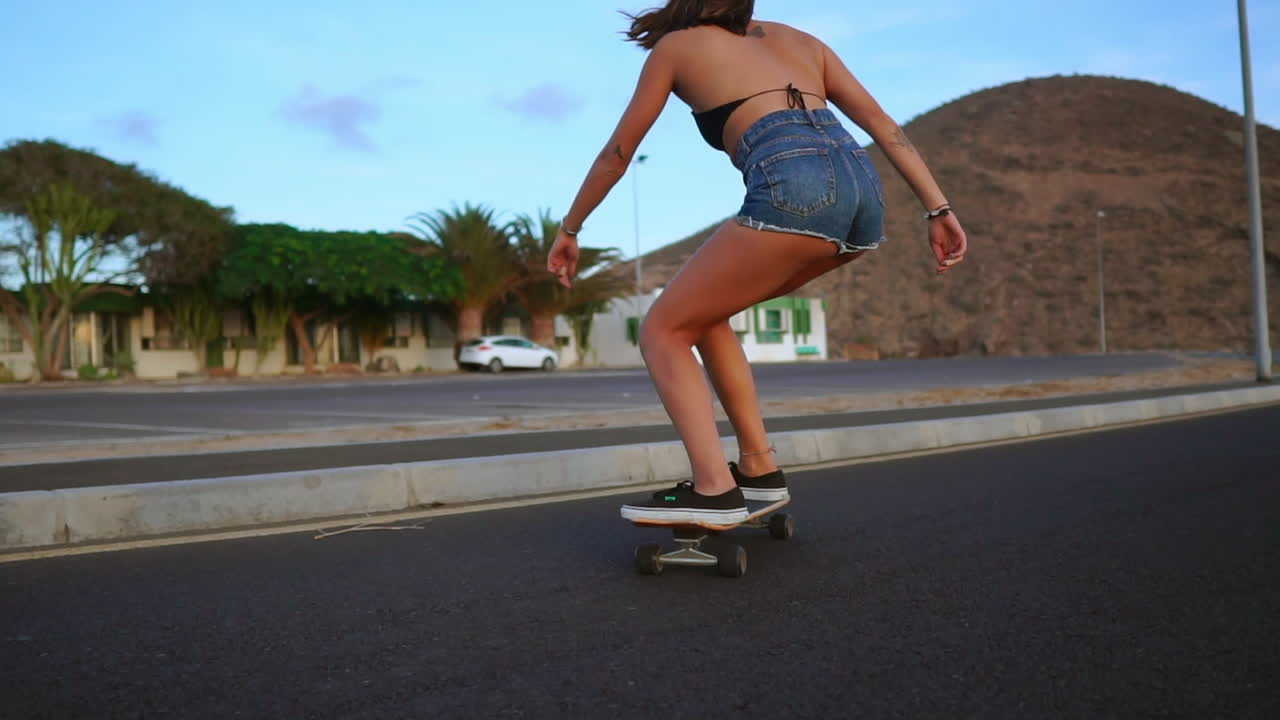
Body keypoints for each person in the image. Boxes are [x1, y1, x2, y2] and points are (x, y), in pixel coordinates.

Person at [548, 0, 968, 526]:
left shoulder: (676, 47)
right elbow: (884, 126)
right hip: (864, 194)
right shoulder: (803, 42)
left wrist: (571, 228)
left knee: (662, 329)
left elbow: (618, 154)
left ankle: (713, 489)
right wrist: (938, 208)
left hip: (796, 187)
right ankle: (758, 470)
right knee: (702, 313)